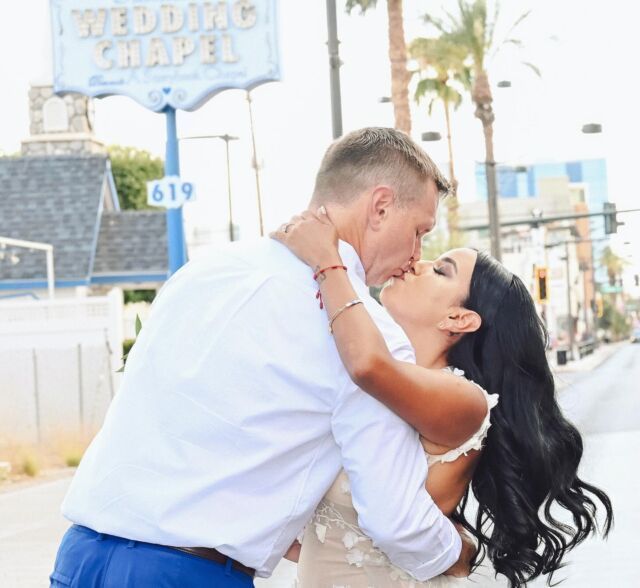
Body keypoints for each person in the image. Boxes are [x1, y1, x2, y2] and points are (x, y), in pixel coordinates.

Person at [49, 128, 474, 588]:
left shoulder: (204, 271)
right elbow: (394, 516)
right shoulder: (364, 332)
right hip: (187, 573)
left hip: (80, 557)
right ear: (381, 206)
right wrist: (460, 553)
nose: (415, 255)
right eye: (418, 232)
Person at [271, 210, 613, 587]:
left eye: (440, 270)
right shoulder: (364, 386)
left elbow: (369, 365)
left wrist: (326, 262)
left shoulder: (464, 400)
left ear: (458, 319)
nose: (417, 262)